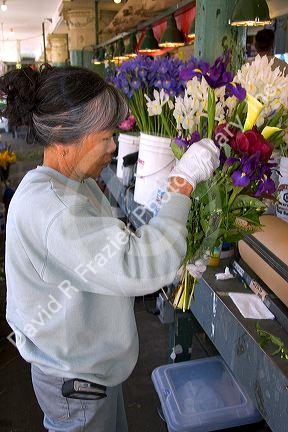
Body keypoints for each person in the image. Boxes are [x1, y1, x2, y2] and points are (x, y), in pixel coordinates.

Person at [2, 65, 219, 432]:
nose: (113, 146)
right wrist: (181, 185)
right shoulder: (57, 210)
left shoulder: (69, 184)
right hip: (78, 386)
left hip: (88, 372)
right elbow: (138, 265)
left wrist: (172, 254)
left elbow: (109, 251)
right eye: (105, 137)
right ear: (62, 137)